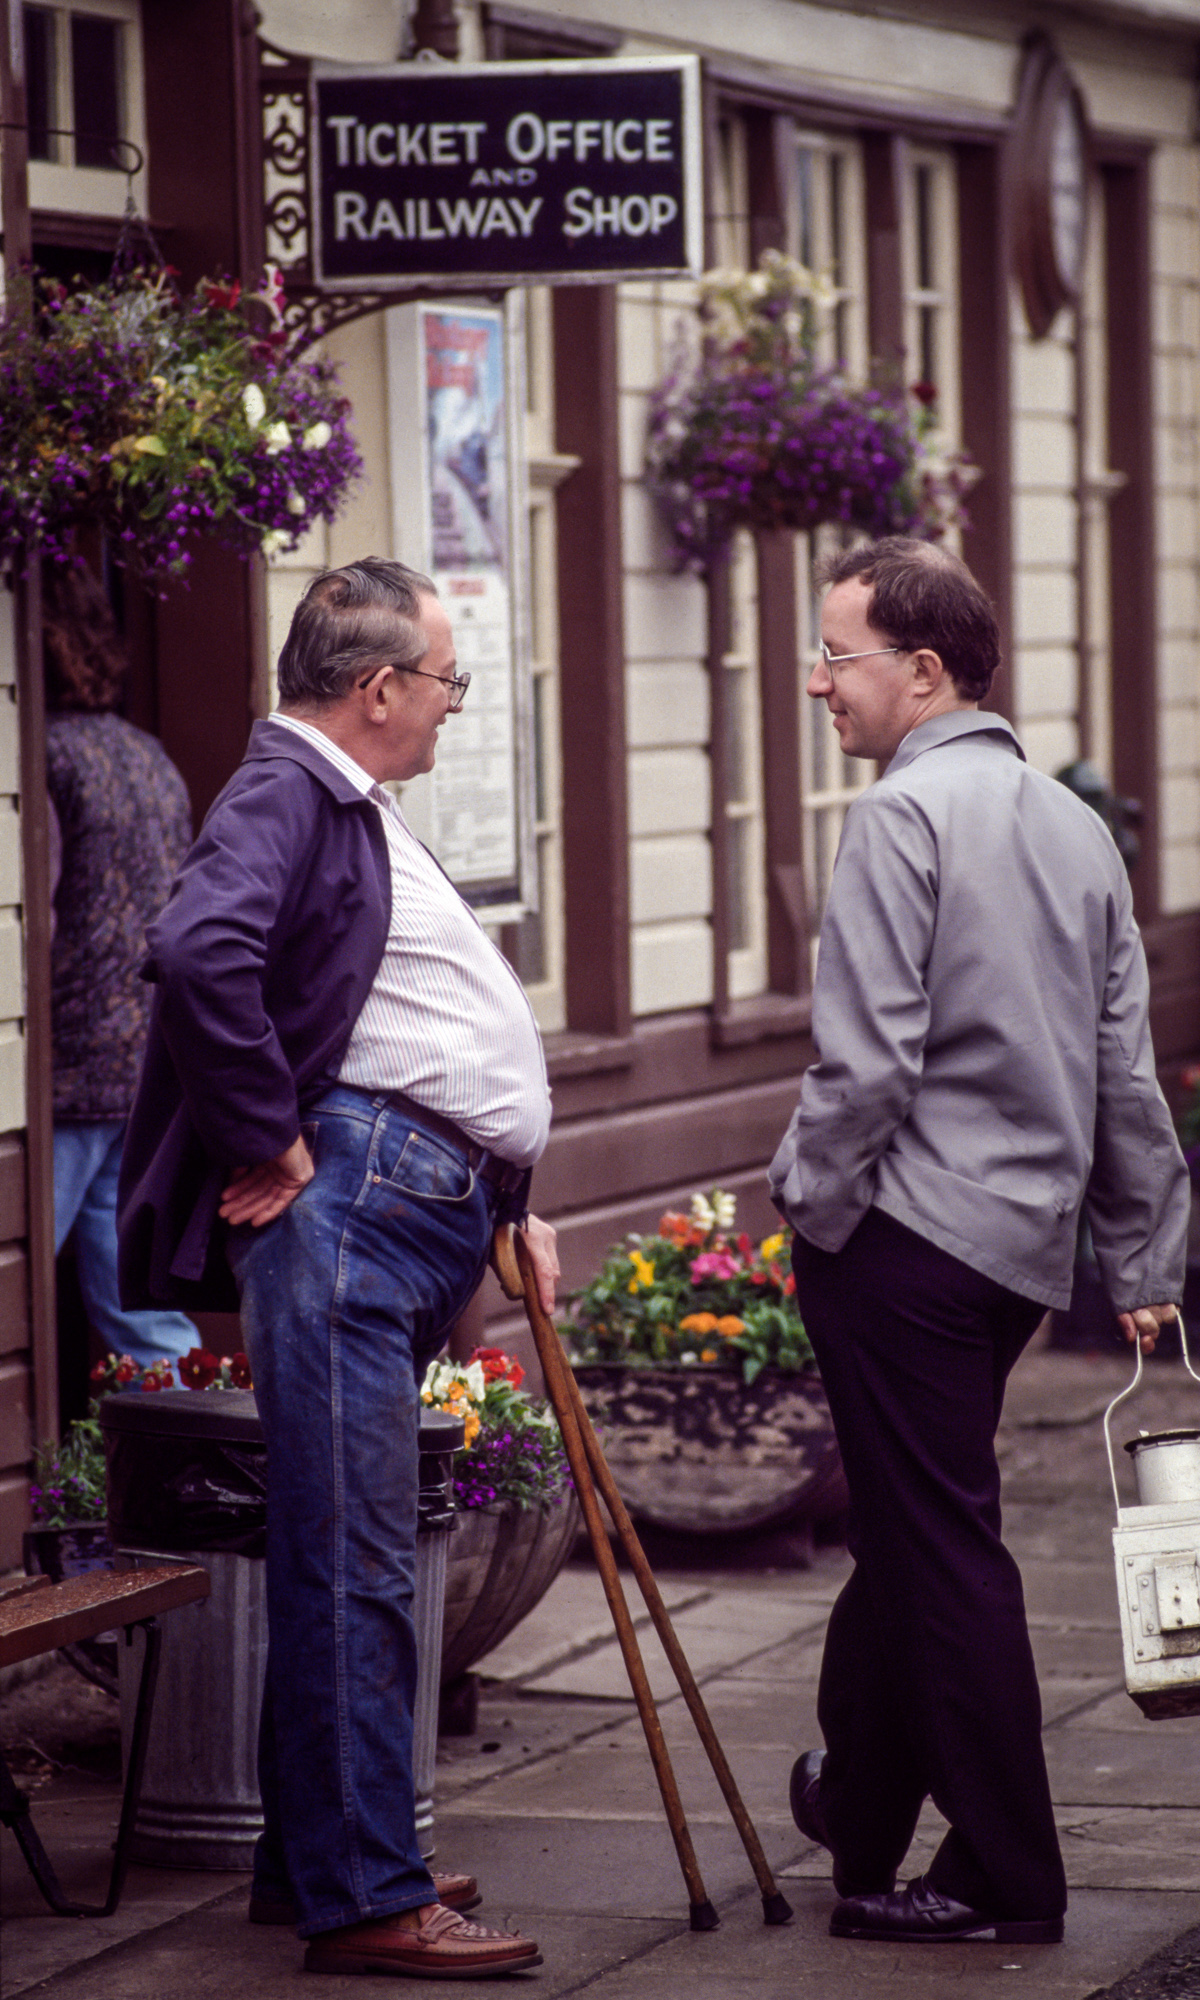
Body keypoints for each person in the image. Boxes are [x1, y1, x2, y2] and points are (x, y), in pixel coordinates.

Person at [118, 558, 558, 1979]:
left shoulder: (340, 802)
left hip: (401, 1209)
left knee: (350, 1542)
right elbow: (197, 951)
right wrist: (271, 1137)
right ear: (375, 690)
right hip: (351, 1219)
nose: (450, 707)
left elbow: (397, 1005)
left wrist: (505, 1186)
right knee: (355, 1551)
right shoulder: (290, 789)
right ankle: (366, 1893)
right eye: (443, 682)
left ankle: (320, 1858)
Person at [769, 537, 1187, 1948]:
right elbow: (1121, 1066)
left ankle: (1008, 1873)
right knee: (906, 1537)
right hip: (1012, 1256)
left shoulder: (898, 819)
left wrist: (807, 1208)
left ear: (924, 671)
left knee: (938, 1554)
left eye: (836, 656)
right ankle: (860, 1810)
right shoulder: (1071, 825)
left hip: (899, 1240)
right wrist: (1135, 1259)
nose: (814, 681)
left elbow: (865, 1065)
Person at [44, 559, 197, 1373]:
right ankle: (196, 1459)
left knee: (24, 1272)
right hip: (141, 1064)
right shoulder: (149, 756)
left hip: (64, 1067)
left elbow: (43, 912)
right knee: (145, 1310)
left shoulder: (43, 759)